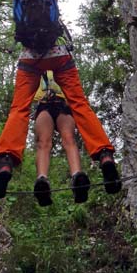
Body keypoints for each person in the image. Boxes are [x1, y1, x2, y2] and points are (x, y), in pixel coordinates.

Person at [0, 0, 121, 199]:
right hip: (59, 52)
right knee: (80, 104)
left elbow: (15, 0)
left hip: (30, 56)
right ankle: (104, 155)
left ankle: (6, 161)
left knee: (19, 109)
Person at [32, 70, 90, 206]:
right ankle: (42, 180)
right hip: (44, 104)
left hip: (62, 103)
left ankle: (77, 176)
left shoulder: (62, 68)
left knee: (69, 139)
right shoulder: (37, 71)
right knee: (43, 142)